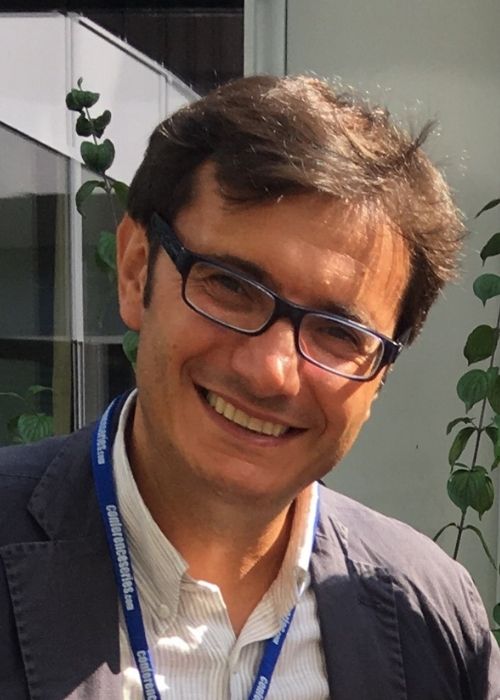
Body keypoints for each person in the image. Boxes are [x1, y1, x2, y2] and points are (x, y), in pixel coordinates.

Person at [0, 74, 499, 700]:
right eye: (230, 286)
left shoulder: (432, 616)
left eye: (338, 332)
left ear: (380, 376)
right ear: (135, 270)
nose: (270, 372)